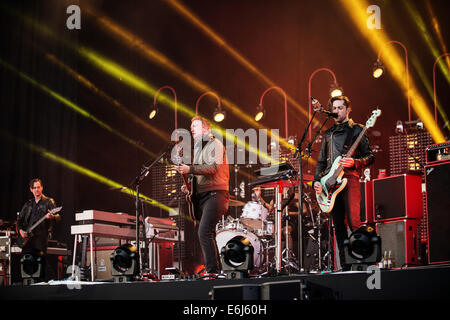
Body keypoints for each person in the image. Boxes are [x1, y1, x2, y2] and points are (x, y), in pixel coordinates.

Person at [313, 96, 374, 271]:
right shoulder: (328, 134)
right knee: (338, 226)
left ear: (348, 110)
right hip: (331, 184)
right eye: (335, 108)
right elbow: (321, 163)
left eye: (340, 108)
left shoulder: (357, 130)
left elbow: (370, 156)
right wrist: (317, 182)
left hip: (351, 180)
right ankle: (345, 267)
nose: (337, 111)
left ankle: (366, 264)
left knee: (355, 222)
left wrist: (355, 162)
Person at [174, 116, 229, 276]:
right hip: (205, 196)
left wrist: (189, 169)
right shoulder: (200, 150)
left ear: (206, 129)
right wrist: (190, 186)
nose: (191, 129)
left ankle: (212, 271)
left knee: (204, 232)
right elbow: (201, 174)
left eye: (195, 126)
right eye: (191, 126)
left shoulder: (215, 144)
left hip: (215, 194)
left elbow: (212, 168)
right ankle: (215, 271)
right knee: (207, 233)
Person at [17, 179, 61, 278]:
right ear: (31, 189)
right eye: (35, 188)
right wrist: (20, 231)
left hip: (41, 236)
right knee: (25, 260)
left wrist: (52, 216)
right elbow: (19, 220)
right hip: (28, 237)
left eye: (38, 187)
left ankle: (50, 281)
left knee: (41, 260)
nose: (37, 189)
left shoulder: (48, 201)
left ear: (42, 188)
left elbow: (58, 216)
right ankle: (28, 282)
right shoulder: (28, 204)